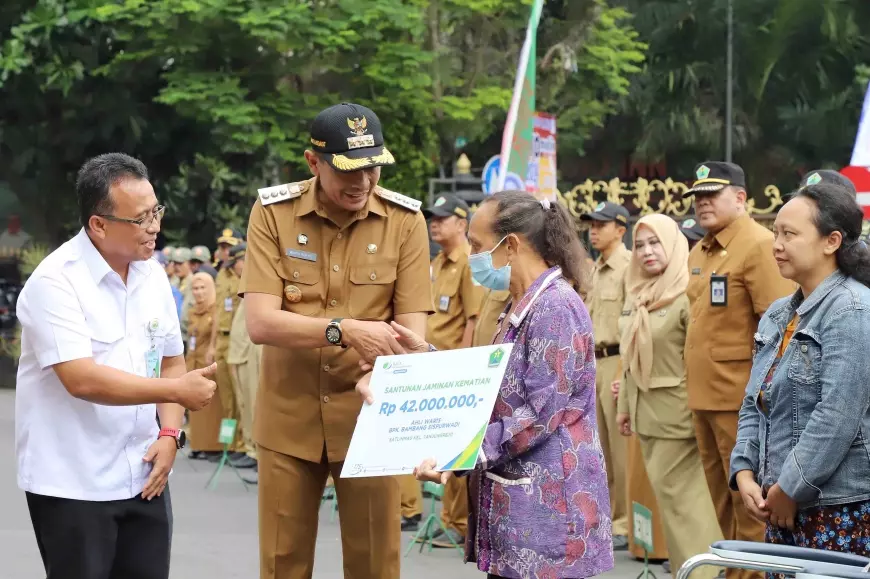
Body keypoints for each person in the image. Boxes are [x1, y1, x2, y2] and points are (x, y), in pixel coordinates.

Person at [241, 102, 432, 579]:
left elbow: (412, 340)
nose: (363, 182)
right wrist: (344, 331)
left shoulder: (405, 222)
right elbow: (261, 323)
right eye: (348, 169)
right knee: (283, 564)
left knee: (375, 565)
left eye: (372, 167)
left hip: (371, 422)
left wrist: (391, 367)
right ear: (313, 162)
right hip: (289, 419)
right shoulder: (273, 214)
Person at [391, 190, 613, 579]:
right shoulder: (520, 304)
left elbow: (539, 415)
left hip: (549, 518)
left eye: (477, 245)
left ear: (510, 245)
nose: (473, 255)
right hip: (518, 507)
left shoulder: (554, 307)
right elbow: (489, 383)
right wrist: (424, 357)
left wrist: (461, 454)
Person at [14, 153, 217, 579]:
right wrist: (174, 392)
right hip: (74, 483)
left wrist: (168, 433)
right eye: (140, 219)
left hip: (144, 475)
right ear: (99, 225)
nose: (154, 227)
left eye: (156, 211)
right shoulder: (56, 282)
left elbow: (171, 358)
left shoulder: (153, 276)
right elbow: (82, 379)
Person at [732, 183, 870, 554]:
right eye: (775, 233)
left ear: (831, 241)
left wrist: (791, 486)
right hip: (778, 502)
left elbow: (837, 416)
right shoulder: (778, 314)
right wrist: (744, 472)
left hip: (837, 506)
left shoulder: (852, 309)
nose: (776, 244)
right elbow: (753, 402)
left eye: (789, 234)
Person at [683, 161, 795, 579]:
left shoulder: (759, 245)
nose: (703, 202)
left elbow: (780, 328)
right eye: (697, 196)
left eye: (713, 194)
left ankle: (749, 575)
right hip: (704, 397)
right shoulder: (700, 250)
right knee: (721, 502)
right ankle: (735, 571)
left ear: (742, 198)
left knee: (749, 506)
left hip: (742, 402)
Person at [615, 214, 722, 578]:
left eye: (655, 243)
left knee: (685, 504)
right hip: (647, 415)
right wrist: (624, 408)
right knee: (670, 503)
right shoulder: (640, 293)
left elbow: (697, 361)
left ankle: (703, 572)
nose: (646, 252)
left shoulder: (685, 295)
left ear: (675, 245)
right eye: (640, 244)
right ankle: (687, 569)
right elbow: (630, 360)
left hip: (678, 416)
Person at [406, 194, 484, 543]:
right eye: (431, 218)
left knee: (457, 446)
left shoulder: (469, 262)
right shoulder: (436, 263)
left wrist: (463, 366)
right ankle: (448, 518)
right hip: (432, 367)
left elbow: (473, 318)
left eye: (442, 218)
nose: (434, 223)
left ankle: (459, 523)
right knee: (440, 446)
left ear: (462, 224)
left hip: (454, 366)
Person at [580, 200, 631, 549]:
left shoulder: (629, 267)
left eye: (601, 224)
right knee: (598, 445)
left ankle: (625, 521)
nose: (593, 230)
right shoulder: (594, 268)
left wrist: (626, 372)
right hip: (593, 360)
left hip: (616, 359)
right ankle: (608, 515)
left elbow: (633, 326)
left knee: (620, 445)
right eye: (591, 224)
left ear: (620, 229)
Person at [207, 228, 252, 468]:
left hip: (241, 339)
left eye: (229, 248)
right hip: (224, 340)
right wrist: (212, 345)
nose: (225, 252)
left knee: (242, 396)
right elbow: (216, 311)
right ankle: (230, 443)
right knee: (227, 398)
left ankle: (245, 444)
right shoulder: (221, 275)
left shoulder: (246, 277)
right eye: (223, 248)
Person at [225, 243, 260, 480]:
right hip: (239, 352)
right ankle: (249, 447)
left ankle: (258, 451)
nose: (235, 268)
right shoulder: (245, 284)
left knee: (256, 402)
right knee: (244, 402)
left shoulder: (259, 281)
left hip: (254, 351)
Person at [186, 271, 225, 460]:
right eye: (195, 288)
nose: (199, 292)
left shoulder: (216, 310)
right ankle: (198, 444)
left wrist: (212, 348)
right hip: (193, 362)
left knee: (212, 407)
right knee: (196, 407)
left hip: (209, 363)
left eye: (202, 288)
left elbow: (216, 335)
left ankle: (212, 445)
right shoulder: (192, 311)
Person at [172, 247, 193, 342]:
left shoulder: (195, 283)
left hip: (188, 333)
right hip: (174, 333)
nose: (177, 267)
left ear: (189, 264)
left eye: (180, 263)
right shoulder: (173, 283)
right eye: (175, 263)